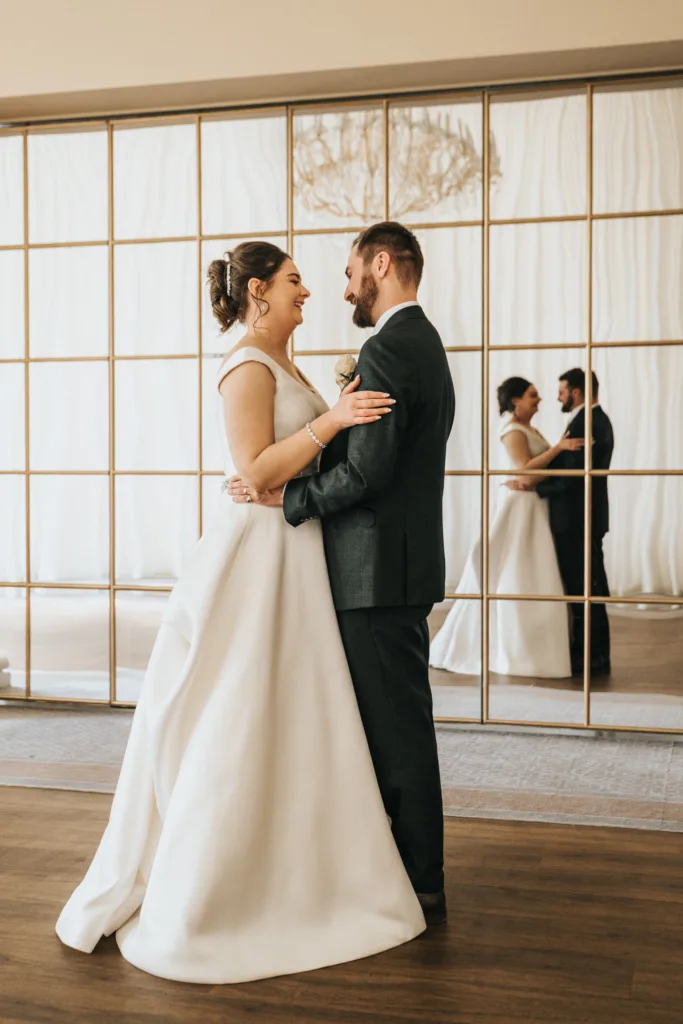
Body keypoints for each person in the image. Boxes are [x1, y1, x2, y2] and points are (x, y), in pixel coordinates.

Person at [55, 240, 427, 985]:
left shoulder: (285, 363)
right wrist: (334, 421)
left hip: (296, 547)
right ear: (258, 290)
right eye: (294, 281)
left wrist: (341, 418)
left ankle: (308, 864)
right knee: (241, 702)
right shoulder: (245, 364)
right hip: (258, 550)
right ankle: (215, 886)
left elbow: (289, 464)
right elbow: (252, 469)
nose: (308, 293)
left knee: (297, 706)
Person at [229, 222, 455, 926]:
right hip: (394, 565)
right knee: (385, 724)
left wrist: (286, 496)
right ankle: (389, 864)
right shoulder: (423, 341)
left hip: (373, 570)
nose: (341, 286)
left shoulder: (388, 348)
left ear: (381, 264)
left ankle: (417, 880)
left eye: (353, 270)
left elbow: (367, 470)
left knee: (394, 731)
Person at [430, 377, 580, 679]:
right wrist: (559, 449)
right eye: (532, 395)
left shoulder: (529, 429)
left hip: (532, 507)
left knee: (532, 573)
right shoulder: (512, 431)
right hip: (518, 509)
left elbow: (533, 474)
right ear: (515, 400)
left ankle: (534, 650)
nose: (539, 400)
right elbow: (525, 471)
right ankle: (514, 651)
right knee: (515, 574)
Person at [535, 368, 614, 676]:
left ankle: (591, 657)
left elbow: (572, 480)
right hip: (582, 518)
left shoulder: (588, 422)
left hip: (577, 520)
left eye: (562, 390)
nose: (558, 396)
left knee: (584, 588)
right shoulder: (591, 419)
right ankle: (590, 654)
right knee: (587, 586)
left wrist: (535, 487)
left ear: (577, 392)